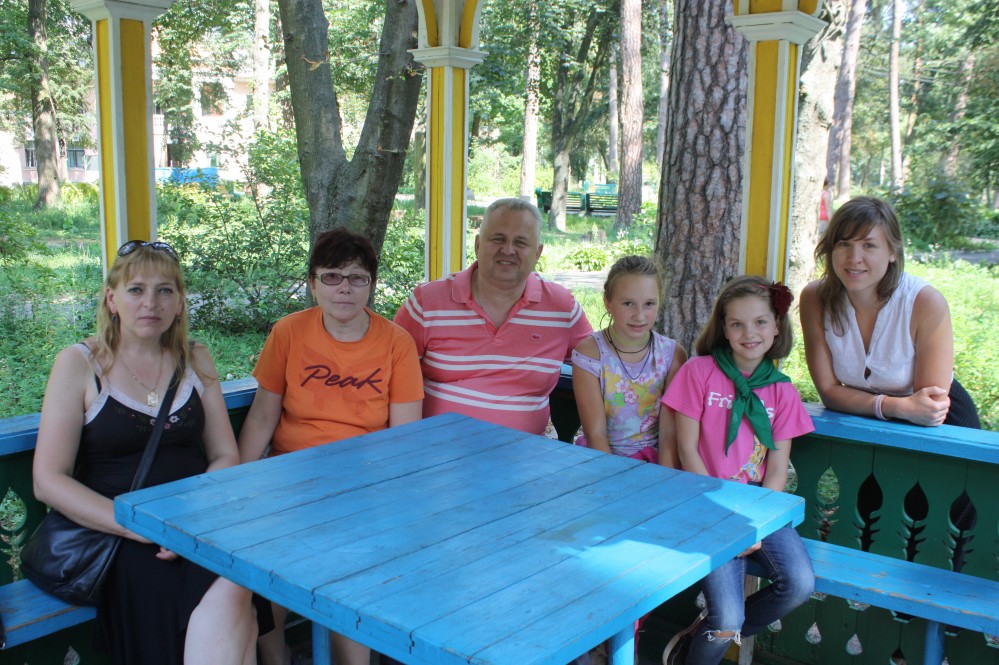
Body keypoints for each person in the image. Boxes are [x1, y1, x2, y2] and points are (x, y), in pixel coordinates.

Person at [33, 240, 257, 665]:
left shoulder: (195, 357)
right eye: (136, 289)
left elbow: (224, 455)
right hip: (119, 531)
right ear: (111, 299)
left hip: (196, 522)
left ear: (180, 303)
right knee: (231, 597)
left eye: (165, 290)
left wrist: (190, 523)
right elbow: (48, 480)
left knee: (236, 577)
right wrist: (141, 528)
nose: (150, 303)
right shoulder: (80, 364)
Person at [238, 228, 424, 665]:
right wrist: (236, 486)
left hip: (363, 486)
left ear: (371, 285)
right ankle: (277, 653)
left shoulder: (396, 342)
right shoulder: (289, 332)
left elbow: (404, 441)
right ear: (313, 283)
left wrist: (384, 499)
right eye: (332, 276)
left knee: (350, 573)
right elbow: (262, 417)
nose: (345, 288)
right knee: (266, 563)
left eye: (357, 278)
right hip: (290, 477)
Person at [661, 275, 815, 665]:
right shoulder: (699, 372)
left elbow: (777, 469)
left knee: (799, 584)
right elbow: (687, 450)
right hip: (706, 505)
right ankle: (712, 634)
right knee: (728, 620)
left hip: (758, 505)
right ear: (724, 329)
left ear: (777, 326)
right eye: (737, 324)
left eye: (761, 322)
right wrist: (726, 522)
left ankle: (700, 634)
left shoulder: (782, 391)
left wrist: (756, 525)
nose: (750, 333)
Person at [394, 197, 592, 435]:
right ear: (478, 245)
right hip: (436, 448)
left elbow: (601, 364)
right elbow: (388, 369)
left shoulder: (561, 307)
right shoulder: (427, 301)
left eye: (520, 242)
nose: (507, 250)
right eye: (498, 239)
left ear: (538, 253)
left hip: (524, 451)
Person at [799, 196, 980, 428]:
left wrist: (891, 407)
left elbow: (928, 406)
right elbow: (828, 391)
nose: (854, 258)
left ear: (893, 251)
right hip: (866, 418)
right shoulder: (815, 298)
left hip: (942, 425)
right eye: (844, 244)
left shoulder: (924, 302)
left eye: (869, 245)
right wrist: (893, 406)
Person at [571, 255, 687, 465]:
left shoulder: (672, 355)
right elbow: (595, 433)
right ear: (607, 302)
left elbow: (669, 434)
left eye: (649, 304)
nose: (639, 315)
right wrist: (613, 477)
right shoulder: (590, 354)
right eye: (628, 303)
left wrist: (663, 477)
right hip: (603, 460)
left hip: (658, 462)